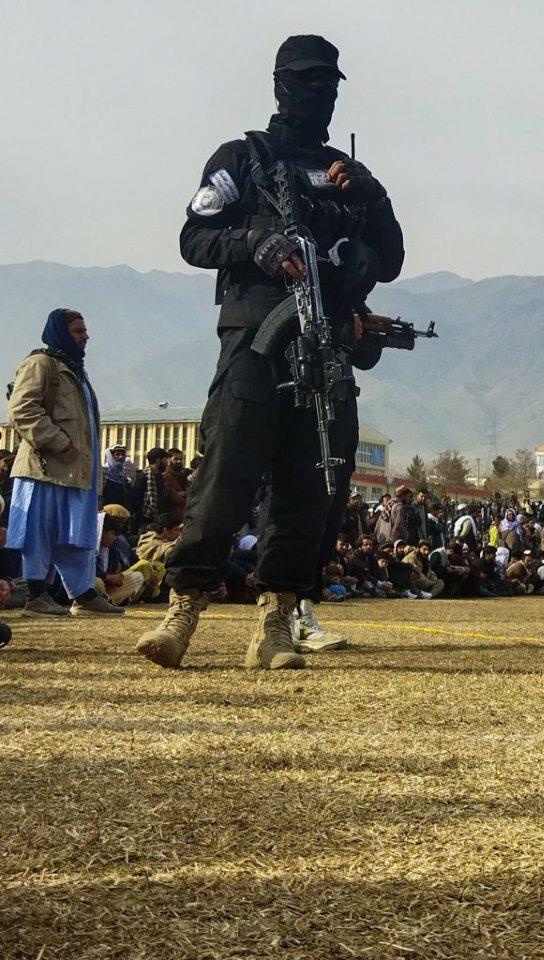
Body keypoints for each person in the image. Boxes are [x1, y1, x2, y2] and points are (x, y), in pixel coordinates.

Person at [136, 35, 404, 670]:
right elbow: (193, 236)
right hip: (255, 340)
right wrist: (254, 242)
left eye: (330, 83)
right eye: (310, 81)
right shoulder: (242, 158)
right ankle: (183, 611)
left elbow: (390, 259)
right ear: (282, 84)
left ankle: (277, 621)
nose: (322, 92)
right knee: (226, 470)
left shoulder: (347, 175)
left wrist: (373, 197)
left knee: (311, 487)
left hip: (325, 347)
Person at [5, 309, 125, 617]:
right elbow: (21, 410)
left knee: (77, 535)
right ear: (60, 332)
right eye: (78, 331)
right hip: (44, 470)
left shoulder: (75, 371)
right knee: (38, 534)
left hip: (75, 472)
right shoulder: (40, 364)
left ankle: (84, 595)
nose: (86, 336)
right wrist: (60, 442)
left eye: (85, 330)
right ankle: (36, 596)